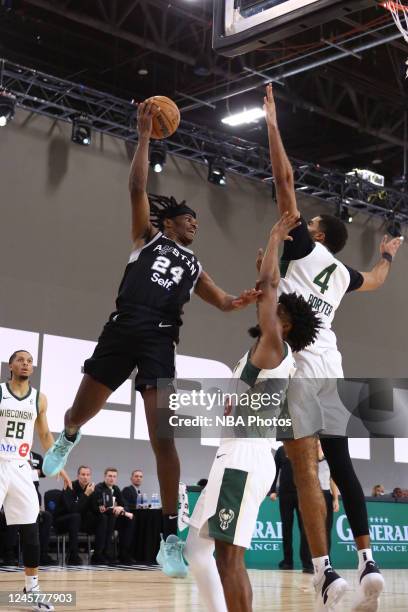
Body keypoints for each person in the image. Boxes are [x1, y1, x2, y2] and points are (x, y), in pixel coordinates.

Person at [42, 99, 260, 578]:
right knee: (80, 410)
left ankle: (168, 535)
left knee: (164, 436)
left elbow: (221, 301)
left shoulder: (195, 265)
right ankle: (71, 435)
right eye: (189, 219)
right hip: (124, 325)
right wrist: (143, 136)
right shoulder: (147, 237)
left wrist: (242, 299)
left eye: (197, 222)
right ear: (169, 223)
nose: (195, 224)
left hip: (161, 338)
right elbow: (138, 184)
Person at [262, 83, 402, 611]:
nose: (304, 220)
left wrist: (273, 126)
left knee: (303, 470)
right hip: (332, 364)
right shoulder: (342, 274)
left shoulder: (302, 248)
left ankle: (326, 573)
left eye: (310, 222)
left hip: (298, 364)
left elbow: (284, 180)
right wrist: (387, 253)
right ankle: (368, 560)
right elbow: (377, 280)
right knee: (342, 466)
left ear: (315, 234)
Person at [184, 212, 321, 612]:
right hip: (234, 455)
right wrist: (267, 267)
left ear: (286, 324)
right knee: (197, 548)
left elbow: (269, 286)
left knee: (229, 557)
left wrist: (275, 239)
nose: (267, 306)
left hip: (244, 457)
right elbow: (268, 287)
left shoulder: (276, 348)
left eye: (275, 308)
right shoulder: (265, 353)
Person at [0, 350, 70, 610]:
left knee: (31, 530)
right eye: (21, 360)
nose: (26, 364)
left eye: (30, 361)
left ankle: (32, 589)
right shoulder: (0, 392)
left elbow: (44, 435)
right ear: (11, 366)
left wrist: (59, 465)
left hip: (20, 467)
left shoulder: (39, 399)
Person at [269, 444, 313, 573]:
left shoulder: (304, 448)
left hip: (302, 494)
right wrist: (273, 490)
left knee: (304, 529)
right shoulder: (281, 450)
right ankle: (287, 561)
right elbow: (275, 470)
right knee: (286, 528)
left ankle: (307, 563)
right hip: (285, 494)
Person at [92, 468, 135, 564]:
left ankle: (124, 553)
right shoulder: (99, 488)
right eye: (110, 476)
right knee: (108, 517)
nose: (112, 478)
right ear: (105, 477)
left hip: (113, 518)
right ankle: (101, 553)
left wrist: (121, 508)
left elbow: (125, 504)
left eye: (114, 476)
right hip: (99, 518)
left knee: (130, 520)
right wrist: (122, 511)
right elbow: (102, 507)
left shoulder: (116, 489)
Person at [317, 440, 339, 554]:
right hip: (314, 496)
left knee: (327, 529)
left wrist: (335, 499)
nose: (318, 446)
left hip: (327, 495)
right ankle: (314, 561)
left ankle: (327, 559)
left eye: (320, 444)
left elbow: (332, 481)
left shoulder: (329, 460)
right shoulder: (309, 460)